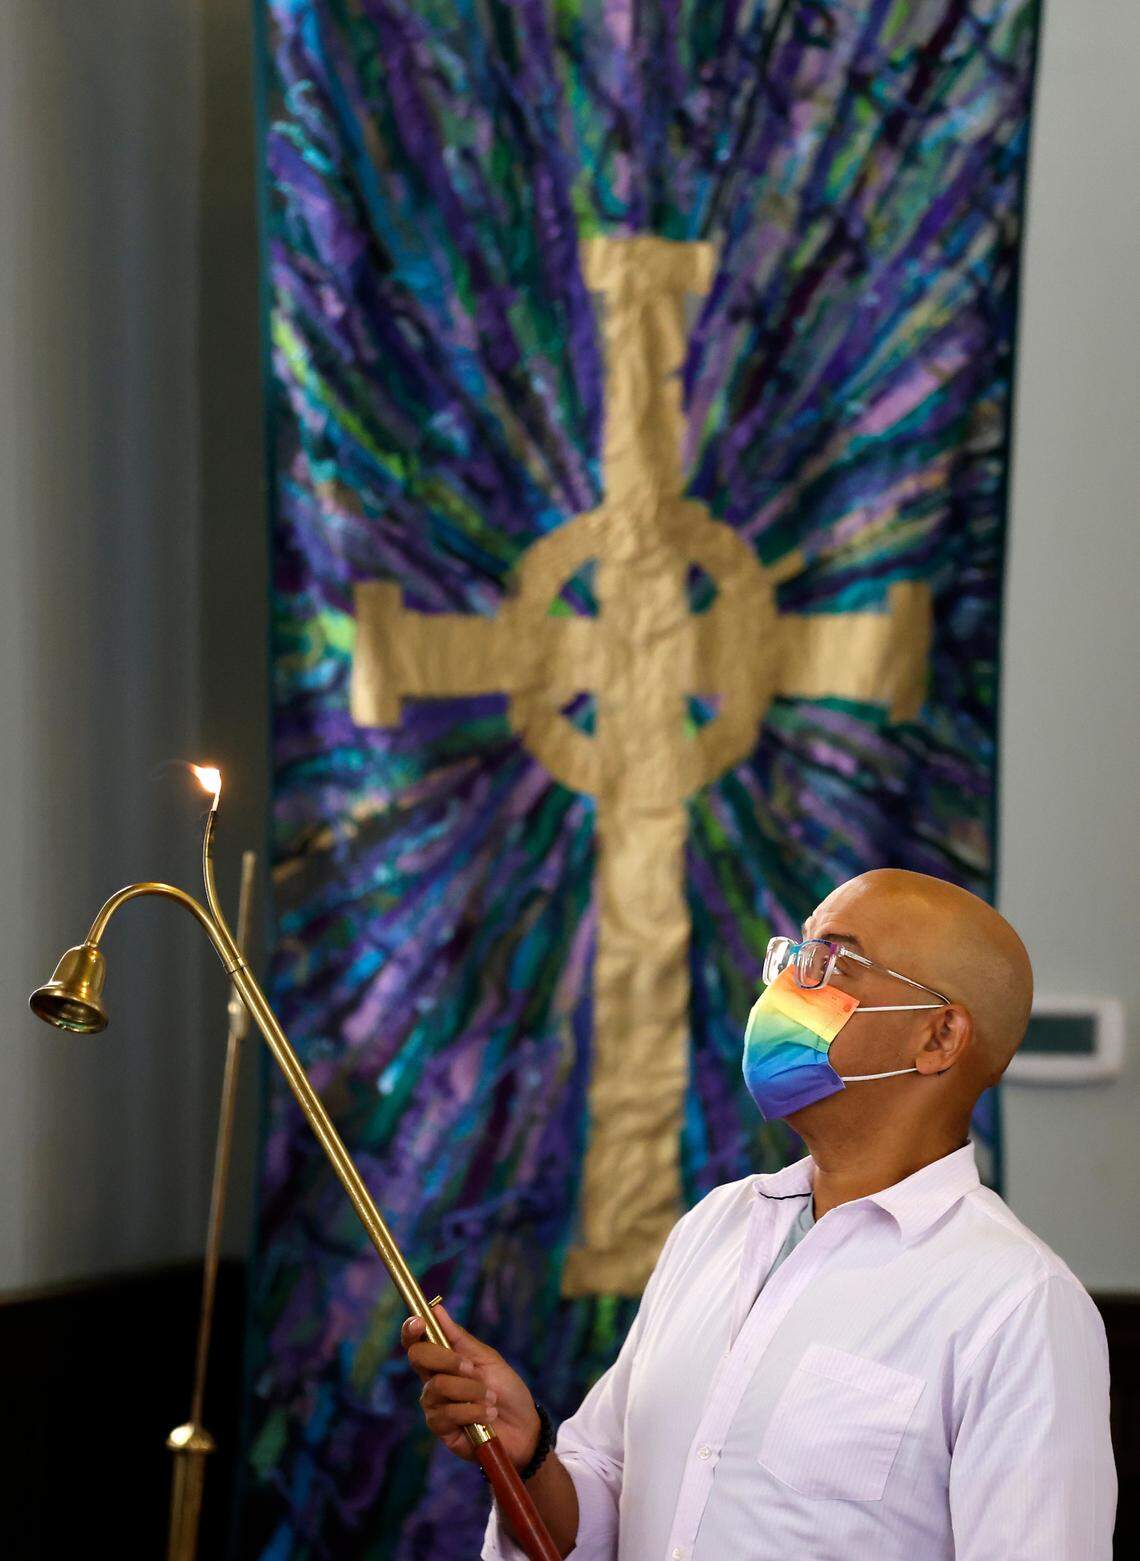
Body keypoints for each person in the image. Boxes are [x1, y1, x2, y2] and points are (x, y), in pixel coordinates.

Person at [400, 869, 1116, 1559]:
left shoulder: (1016, 1303)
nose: (787, 985)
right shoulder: (717, 1226)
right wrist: (525, 1454)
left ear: (937, 1038)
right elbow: (603, 1515)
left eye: (834, 961)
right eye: (794, 953)